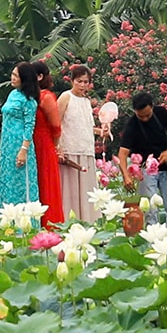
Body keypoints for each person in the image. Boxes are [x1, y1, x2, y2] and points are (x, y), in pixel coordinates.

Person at [118, 92, 167, 225]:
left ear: (152, 107)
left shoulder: (161, 113)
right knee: (149, 211)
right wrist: (126, 176)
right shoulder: (132, 124)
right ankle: (151, 240)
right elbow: (122, 153)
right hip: (145, 171)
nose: (144, 118)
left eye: (147, 115)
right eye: (140, 116)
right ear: (135, 111)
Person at [57, 65, 100, 223]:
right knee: (70, 191)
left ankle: (88, 222)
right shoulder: (65, 97)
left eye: (86, 82)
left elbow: (85, 126)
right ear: (72, 81)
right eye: (79, 81)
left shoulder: (86, 101)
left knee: (87, 191)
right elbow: (56, 123)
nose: (82, 85)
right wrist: (58, 148)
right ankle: (68, 223)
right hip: (70, 152)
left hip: (87, 151)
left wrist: (100, 131)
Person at [0, 62, 40, 209]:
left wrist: (23, 150)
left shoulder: (29, 101)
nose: (13, 78)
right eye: (13, 74)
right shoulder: (12, 94)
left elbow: (29, 126)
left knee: (20, 182)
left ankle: (24, 223)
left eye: (17, 75)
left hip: (20, 145)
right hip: (7, 144)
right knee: (7, 180)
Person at [32, 61, 64, 226]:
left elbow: (56, 127)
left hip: (44, 144)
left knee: (46, 184)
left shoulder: (46, 97)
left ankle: (50, 223)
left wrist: (55, 146)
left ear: (39, 77)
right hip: (30, 144)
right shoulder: (28, 96)